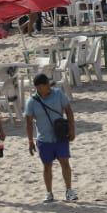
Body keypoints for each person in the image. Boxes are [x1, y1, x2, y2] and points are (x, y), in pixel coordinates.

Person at [24, 73, 77, 203]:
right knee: (47, 166)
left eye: (48, 84)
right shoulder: (31, 101)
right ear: (38, 87)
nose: (49, 86)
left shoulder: (58, 94)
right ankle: (49, 193)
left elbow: (69, 110)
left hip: (61, 136)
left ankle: (69, 190)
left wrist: (72, 129)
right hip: (44, 139)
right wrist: (30, 140)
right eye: (46, 85)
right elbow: (28, 122)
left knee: (65, 163)